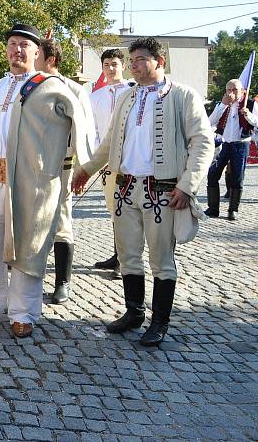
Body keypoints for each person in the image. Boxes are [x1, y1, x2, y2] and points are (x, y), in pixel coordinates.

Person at [0, 24, 93, 338]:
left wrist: (83, 164)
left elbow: (81, 123)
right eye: (12, 44)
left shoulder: (51, 87)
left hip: (31, 182)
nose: (16, 50)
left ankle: (23, 313)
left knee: (26, 247)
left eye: (24, 45)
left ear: (36, 52)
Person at [73, 37, 213, 347]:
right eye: (132, 60)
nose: (133, 65)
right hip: (125, 188)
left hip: (163, 190)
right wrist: (85, 169)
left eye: (139, 60)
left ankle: (159, 322)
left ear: (159, 62)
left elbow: (203, 143)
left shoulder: (183, 96)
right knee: (128, 256)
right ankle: (134, 312)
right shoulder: (127, 97)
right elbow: (109, 142)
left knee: (162, 260)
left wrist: (187, 186)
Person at [34, 38, 93, 304]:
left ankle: (62, 282)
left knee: (61, 222)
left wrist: (84, 169)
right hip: (31, 166)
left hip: (62, 167)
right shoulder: (30, 87)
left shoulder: (73, 91)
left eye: (37, 55)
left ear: (51, 60)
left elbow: (86, 133)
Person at [88, 48, 135, 278]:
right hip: (107, 164)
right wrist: (100, 158)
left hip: (130, 163)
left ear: (123, 66)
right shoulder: (95, 96)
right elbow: (93, 130)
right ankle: (117, 254)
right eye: (106, 64)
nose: (110, 68)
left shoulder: (134, 91)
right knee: (113, 210)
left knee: (126, 211)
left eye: (114, 64)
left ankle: (125, 261)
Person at [205, 78, 256, 220]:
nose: (231, 92)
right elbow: (211, 122)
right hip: (225, 143)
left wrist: (248, 115)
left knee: (237, 178)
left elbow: (257, 123)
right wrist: (222, 105)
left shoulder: (250, 104)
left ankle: (233, 209)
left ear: (242, 91)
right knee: (213, 174)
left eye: (235, 90)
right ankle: (213, 208)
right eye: (229, 89)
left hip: (241, 144)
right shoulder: (222, 104)